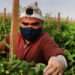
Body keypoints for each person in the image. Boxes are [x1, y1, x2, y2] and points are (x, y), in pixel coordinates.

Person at [0, 4, 67, 75]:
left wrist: (59, 60)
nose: (29, 28)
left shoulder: (44, 39)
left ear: (42, 24)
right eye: (25, 24)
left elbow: (53, 50)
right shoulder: (13, 37)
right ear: (20, 23)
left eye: (34, 24)